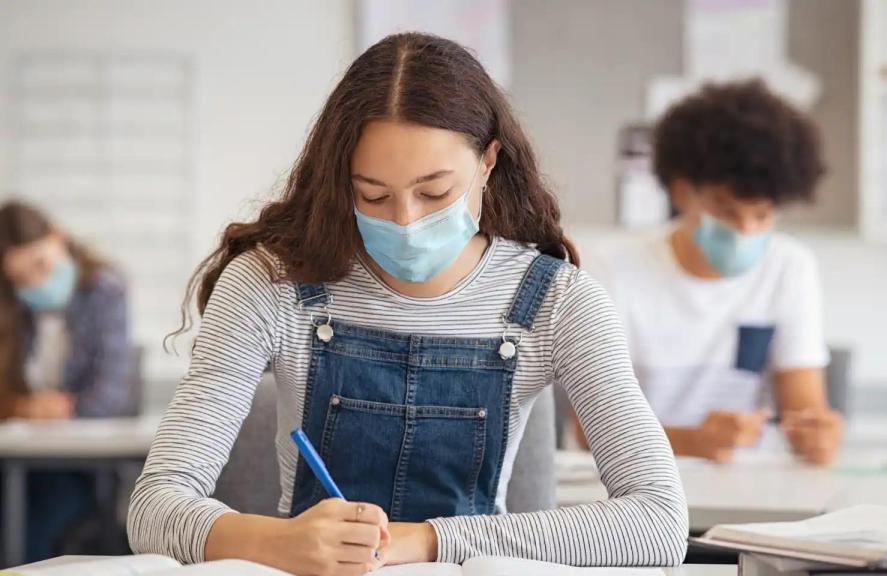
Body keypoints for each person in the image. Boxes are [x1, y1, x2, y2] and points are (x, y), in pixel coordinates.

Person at [127, 33, 687, 575]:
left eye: (434, 193)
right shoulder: (269, 284)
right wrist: (278, 542)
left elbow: (658, 521)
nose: (405, 221)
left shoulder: (560, 302)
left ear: (488, 162)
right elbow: (154, 508)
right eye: (372, 195)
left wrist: (425, 540)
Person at [585, 80, 843, 466]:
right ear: (681, 192)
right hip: (637, 483)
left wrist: (817, 437)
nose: (746, 231)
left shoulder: (789, 267)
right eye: (726, 211)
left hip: (750, 485)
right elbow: (588, 430)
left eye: (762, 215)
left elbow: (804, 411)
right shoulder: (611, 269)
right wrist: (692, 442)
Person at [0, 200, 134, 561]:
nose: (35, 283)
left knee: (33, 527)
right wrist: (23, 407)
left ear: (57, 238)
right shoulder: (11, 308)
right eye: (20, 279)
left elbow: (113, 392)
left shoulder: (105, 290)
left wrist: (63, 408)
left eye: (40, 265)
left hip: (77, 466)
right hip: (16, 459)